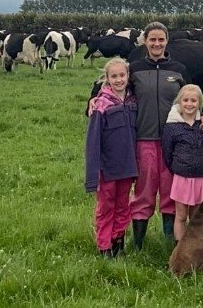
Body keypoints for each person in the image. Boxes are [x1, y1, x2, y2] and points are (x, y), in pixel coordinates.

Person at [128, 22, 203, 250]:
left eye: (161, 40)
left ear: (166, 41)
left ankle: (170, 245)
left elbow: (192, 97)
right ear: (145, 41)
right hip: (143, 139)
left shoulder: (179, 69)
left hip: (176, 142)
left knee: (170, 192)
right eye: (152, 39)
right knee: (144, 191)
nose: (156, 44)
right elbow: (111, 89)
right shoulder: (133, 69)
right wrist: (93, 100)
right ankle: (138, 245)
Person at [84, 57, 138, 257]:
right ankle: (104, 246)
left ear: (128, 76)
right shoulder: (101, 105)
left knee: (123, 205)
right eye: (113, 76)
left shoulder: (133, 101)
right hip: (107, 167)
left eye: (122, 75)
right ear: (106, 79)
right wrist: (93, 170)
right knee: (106, 206)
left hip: (127, 165)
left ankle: (118, 242)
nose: (118, 80)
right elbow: (93, 141)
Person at [161, 84, 203, 243]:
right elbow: (167, 151)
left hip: (200, 177)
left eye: (193, 101)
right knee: (181, 215)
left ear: (199, 103)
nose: (189, 104)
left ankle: (195, 245)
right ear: (179, 102)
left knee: (197, 215)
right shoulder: (172, 126)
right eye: (185, 100)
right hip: (181, 177)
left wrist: (201, 161)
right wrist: (179, 166)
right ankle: (180, 246)